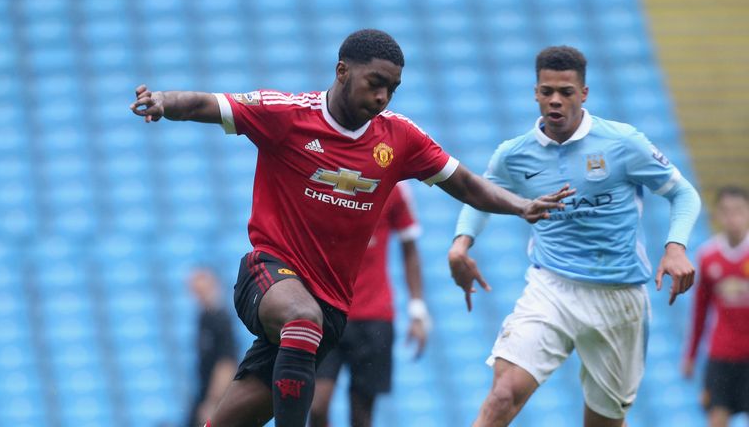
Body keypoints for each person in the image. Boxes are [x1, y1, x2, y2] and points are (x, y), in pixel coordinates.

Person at [130, 29, 573, 427]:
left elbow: (464, 183)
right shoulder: (287, 114)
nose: (383, 97)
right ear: (342, 71)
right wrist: (166, 102)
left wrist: (521, 206)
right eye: (375, 83)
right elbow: (210, 103)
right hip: (268, 276)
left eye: (392, 89)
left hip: (331, 313)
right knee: (302, 320)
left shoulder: (399, 139)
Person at [448, 45, 702, 427]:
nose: (555, 100)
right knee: (502, 396)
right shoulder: (513, 155)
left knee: (602, 421)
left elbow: (683, 193)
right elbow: (481, 196)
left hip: (618, 297)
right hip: (551, 286)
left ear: (584, 94)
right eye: (546, 91)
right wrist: (460, 244)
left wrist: (676, 247)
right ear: (535, 92)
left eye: (565, 92)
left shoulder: (623, 143)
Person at [309, 182, 431, 427]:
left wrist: (417, 310)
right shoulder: (324, 176)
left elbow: (410, 247)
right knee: (317, 405)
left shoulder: (394, 184)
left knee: (361, 415)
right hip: (328, 313)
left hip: (374, 317)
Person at [682, 186, 749, 427]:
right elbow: (700, 310)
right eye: (727, 211)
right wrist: (690, 355)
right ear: (717, 215)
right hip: (722, 355)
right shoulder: (708, 255)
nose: (733, 218)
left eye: (739, 211)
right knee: (717, 418)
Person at [185, 266, 239, 427]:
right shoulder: (203, 317)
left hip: (214, 397)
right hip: (204, 392)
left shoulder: (220, 319)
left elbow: (227, 363)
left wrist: (213, 402)